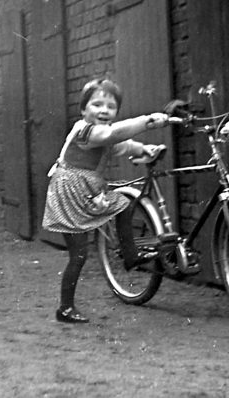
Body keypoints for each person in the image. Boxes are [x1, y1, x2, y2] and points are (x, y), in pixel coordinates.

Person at [43, 78, 169, 324]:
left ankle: (130, 255)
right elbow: (112, 133)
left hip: (88, 192)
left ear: (116, 112)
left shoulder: (105, 136)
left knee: (122, 203)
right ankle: (65, 308)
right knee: (78, 254)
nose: (103, 110)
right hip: (69, 193)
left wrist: (147, 150)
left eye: (110, 107)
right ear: (83, 110)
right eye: (96, 104)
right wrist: (147, 121)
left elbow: (125, 145)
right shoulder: (85, 131)